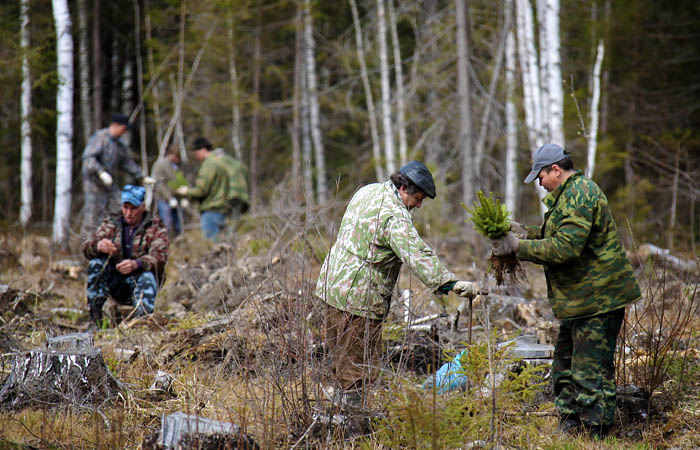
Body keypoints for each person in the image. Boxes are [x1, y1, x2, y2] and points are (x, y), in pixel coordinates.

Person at [490, 143, 641, 439]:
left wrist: (519, 247)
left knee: (590, 371)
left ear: (556, 170)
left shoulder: (581, 193)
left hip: (599, 301)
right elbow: (556, 235)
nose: (540, 184)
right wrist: (525, 232)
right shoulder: (567, 196)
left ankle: (595, 432)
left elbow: (566, 247)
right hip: (580, 302)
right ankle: (570, 424)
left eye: (540, 177)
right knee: (565, 364)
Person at [315, 161, 482, 406]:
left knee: (339, 361)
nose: (419, 205)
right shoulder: (394, 216)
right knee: (357, 370)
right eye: (418, 198)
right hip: (358, 299)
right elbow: (417, 254)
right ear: (403, 188)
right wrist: (451, 284)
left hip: (332, 287)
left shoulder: (368, 191)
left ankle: (333, 414)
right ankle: (351, 420)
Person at [83, 185, 169, 327]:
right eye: (125, 207)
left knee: (148, 276)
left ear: (142, 207)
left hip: (139, 280)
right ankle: (95, 321)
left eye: (133, 208)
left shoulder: (155, 226)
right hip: (115, 281)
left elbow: (160, 256)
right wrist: (98, 245)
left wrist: (137, 264)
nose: (128, 213)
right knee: (96, 264)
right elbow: (86, 247)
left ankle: (141, 324)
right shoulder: (111, 223)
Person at [81, 113, 155, 237]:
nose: (124, 131)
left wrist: (142, 176)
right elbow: (88, 159)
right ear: (116, 125)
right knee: (93, 215)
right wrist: (101, 172)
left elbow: (126, 163)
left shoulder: (119, 144)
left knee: (120, 207)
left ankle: (116, 238)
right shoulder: (100, 138)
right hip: (94, 184)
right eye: (124, 128)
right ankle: (88, 242)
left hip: (110, 184)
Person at [175, 138, 231, 241]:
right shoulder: (220, 162)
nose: (195, 156)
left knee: (212, 244)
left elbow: (201, 190)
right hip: (222, 208)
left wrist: (186, 191)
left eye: (196, 153)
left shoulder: (209, 164)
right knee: (222, 242)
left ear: (203, 149)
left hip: (212, 210)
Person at [152, 145, 188, 236]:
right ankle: (164, 241)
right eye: (175, 156)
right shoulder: (161, 165)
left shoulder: (181, 166)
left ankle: (179, 240)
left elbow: (183, 181)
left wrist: (185, 197)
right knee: (166, 223)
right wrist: (170, 198)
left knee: (179, 223)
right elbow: (160, 184)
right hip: (164, 199)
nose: (177, 159)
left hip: (178, 198)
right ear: (169, 154)